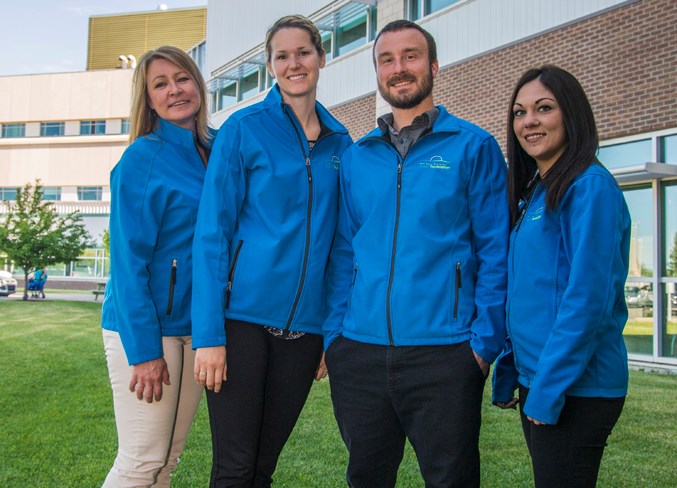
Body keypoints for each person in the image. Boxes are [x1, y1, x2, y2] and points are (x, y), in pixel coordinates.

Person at [323, 20, 509, 488]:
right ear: (377, 73)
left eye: (410, 56)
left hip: (446, 354)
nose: (399, 68)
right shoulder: (358, 156)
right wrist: (335, 338)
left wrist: (481, 348)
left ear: (433, 66)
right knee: (365, 478)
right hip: (359, 353)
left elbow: (495, 252)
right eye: (386, 59)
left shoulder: (473, 147)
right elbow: (344, 252)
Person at [191, 15, 352, 487]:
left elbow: (342, 250)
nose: (294, 63)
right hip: (239, 324)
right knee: (235, 468)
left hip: (305, 333)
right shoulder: (243, 130)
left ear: (322, 58)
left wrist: (331, 331)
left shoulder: (343, 144)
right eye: (282, 56)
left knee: (263, 467)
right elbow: (211, 234)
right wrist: (209, 336)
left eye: (303, 52)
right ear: (269, 65)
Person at [492, 65, 630, 488]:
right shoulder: (539, 190)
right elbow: (531, 290)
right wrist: (514, 371)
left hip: (577, 388)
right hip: (543, 381)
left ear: (571, 114)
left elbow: (586, 299)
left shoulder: (589, 187)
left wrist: (549, 388)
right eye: (519, 112)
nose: (529, 121)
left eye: (544, 108)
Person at [101, 45, 213, 487]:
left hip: (197, 327)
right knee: (141, 460)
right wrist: (144, 351)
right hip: (148, 330)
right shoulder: (141, 159)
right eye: (160, 84)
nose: (175, 90)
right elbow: (127, 264)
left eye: (182, 78)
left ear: (198, 84)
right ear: (148, 100)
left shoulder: (218, 148)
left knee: (168, 459)